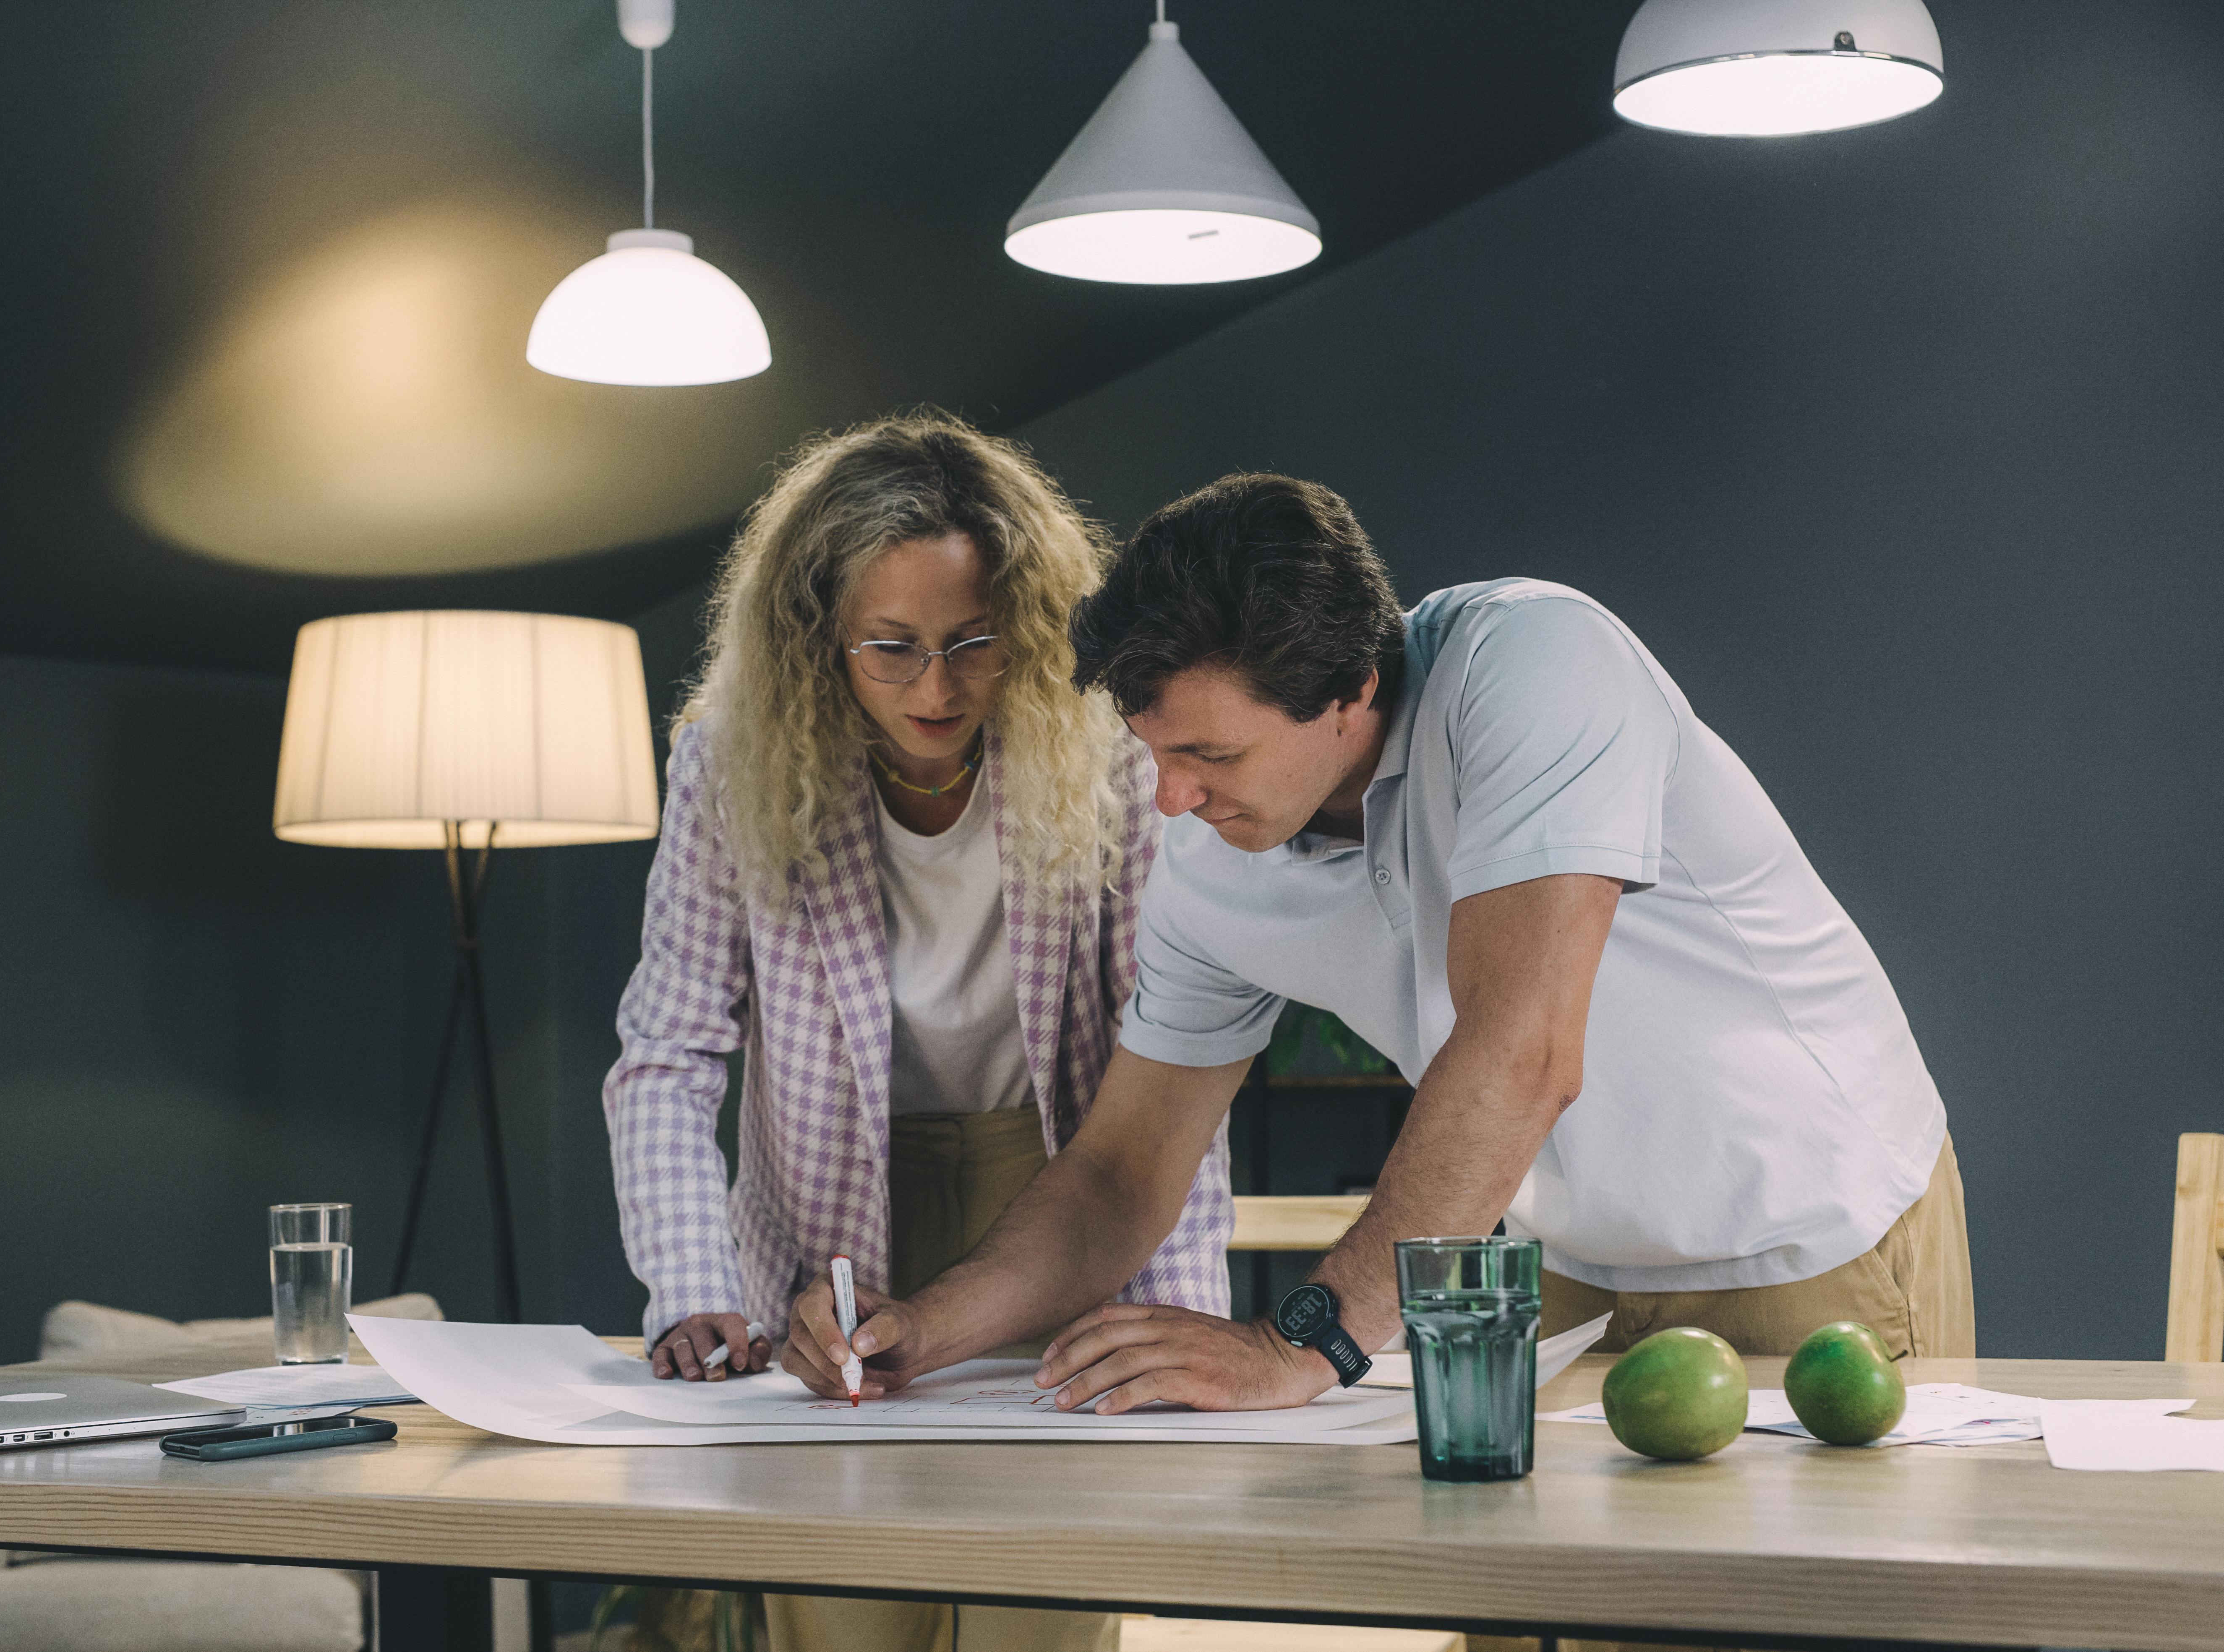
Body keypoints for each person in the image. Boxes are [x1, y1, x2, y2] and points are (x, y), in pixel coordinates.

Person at [781, 471, 1972, 1420]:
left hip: (1804, 1235)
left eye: (1213, 757)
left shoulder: (1539, 667)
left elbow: (1518, 1052)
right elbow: (1120, 1170)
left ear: (1350, 688)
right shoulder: (1203, 854)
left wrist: (1298, 1341)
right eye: (1154, 753)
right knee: (1511, 1609)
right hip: (1558, 1263)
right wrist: (925, 1329)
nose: (1169, 801)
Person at [603, 414, 1229, 1652]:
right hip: (827, 1238)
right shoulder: (731, 766)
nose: (935, 689)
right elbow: (669, 1055)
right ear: (817, 641)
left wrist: (1176, 1310)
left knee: (1037, 1618)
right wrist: (697, 1292)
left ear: (1032, 626)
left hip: (1064, 1195)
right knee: (843, 1614)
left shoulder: (1111, 756)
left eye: (973, 644)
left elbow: (1172, 1053)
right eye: (889, 649)